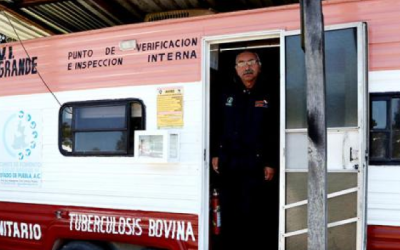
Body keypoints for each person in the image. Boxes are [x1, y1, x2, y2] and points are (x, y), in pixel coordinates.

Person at [211, 51, 279, 249]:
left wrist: (270, 161)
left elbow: (275, 130)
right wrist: (216, 153)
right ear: (236, 69)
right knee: (230, 210)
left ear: (259, 65)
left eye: (251, 62)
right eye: (241, 63)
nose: (246, 67)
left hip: (256, 164)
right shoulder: (226, 92)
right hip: (229, 162)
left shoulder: (271, 91)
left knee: (255, 211)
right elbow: (216, 123)